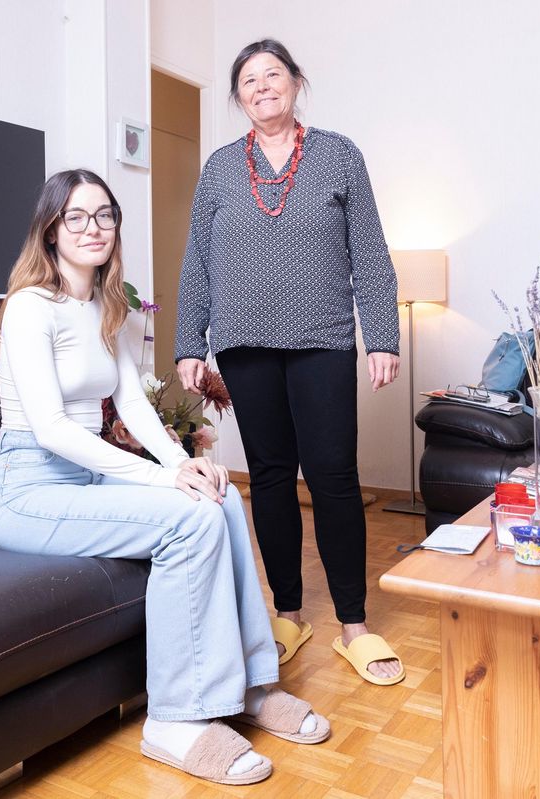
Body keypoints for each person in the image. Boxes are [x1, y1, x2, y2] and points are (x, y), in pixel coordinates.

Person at [0, 169, 330, 786]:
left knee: (219, 499)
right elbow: (55, 430)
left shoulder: (111, 306)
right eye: (76, 216)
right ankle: (174, 722)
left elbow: (134, 406)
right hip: (28, 485)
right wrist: (159, 481)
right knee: (188, 520)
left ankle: (248, 685)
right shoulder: (31, 307)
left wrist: (184, 466)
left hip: (84, 479)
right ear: (51, 230)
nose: (94, 228)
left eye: (105, 215)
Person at [175, 39, 405, 687]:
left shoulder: (338, 155)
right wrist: (189, 342)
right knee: (271, 477)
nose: (262, 86)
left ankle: (355, 625)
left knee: (332, 474)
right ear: (239, 97)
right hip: (243, 344)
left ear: (296, 83)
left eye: (272, 74)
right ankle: (288, 613)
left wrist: (381, 335)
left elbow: (370, 250)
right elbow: (196, 259)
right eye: (248, 80)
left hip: (323, 339)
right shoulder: (221, 168)